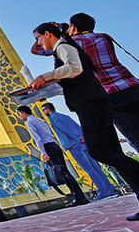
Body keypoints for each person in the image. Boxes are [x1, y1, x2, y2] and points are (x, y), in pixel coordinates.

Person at [30, 22, 139, 220]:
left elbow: (75, 68)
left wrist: (44, 77)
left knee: (98, 151)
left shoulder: (63, 47)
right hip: (96, 101)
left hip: (91, 104)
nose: (38, 43)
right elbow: (74, 77)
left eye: (38, 38)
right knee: (114, 153)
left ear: (47, 34)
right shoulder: (65, 47)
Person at [33, 13, 139, 149]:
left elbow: (37, 49)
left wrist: (52, 31)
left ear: (73, 27)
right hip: (132, 86)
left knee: (135, 135)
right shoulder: (104, 37)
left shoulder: (70, 44)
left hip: (110, 94)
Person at [41, 102, 116, 200]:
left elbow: (65, 130)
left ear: (48, 109)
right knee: (96, 167)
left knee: (89, 169)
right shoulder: (64, 116)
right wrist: (83, 137)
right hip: (83, 143)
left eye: (43, 110)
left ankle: (103, 191)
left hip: (74, 145)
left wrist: (76, 138)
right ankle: (110, 189)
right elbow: (78, 126)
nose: (43, 112)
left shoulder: (54, 118)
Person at [16, 104, 88, 205]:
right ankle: (80, 196)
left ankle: (78, 197)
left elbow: (38, 139)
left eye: (20, 114)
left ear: (24, 113)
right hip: (54, 145)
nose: (20, 116)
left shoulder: (30, 122)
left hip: (48, 147)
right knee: (65, 171)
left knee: (63, 173)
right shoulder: (39, 120)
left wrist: (44, 153)